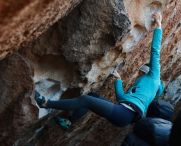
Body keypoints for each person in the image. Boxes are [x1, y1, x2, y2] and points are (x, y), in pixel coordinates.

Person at [34, 12, 164, 127]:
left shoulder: (154, 77)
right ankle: (69, 122)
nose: (139, 73)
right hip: (123, 113)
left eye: (142, 71)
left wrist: (158, 25)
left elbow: (155, 52)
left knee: (86, 101)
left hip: (124, 113)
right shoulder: (144, 92)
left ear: (147, 71)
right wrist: (118, 81)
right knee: (91, 97)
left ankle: (46, 103)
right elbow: (122, 98)